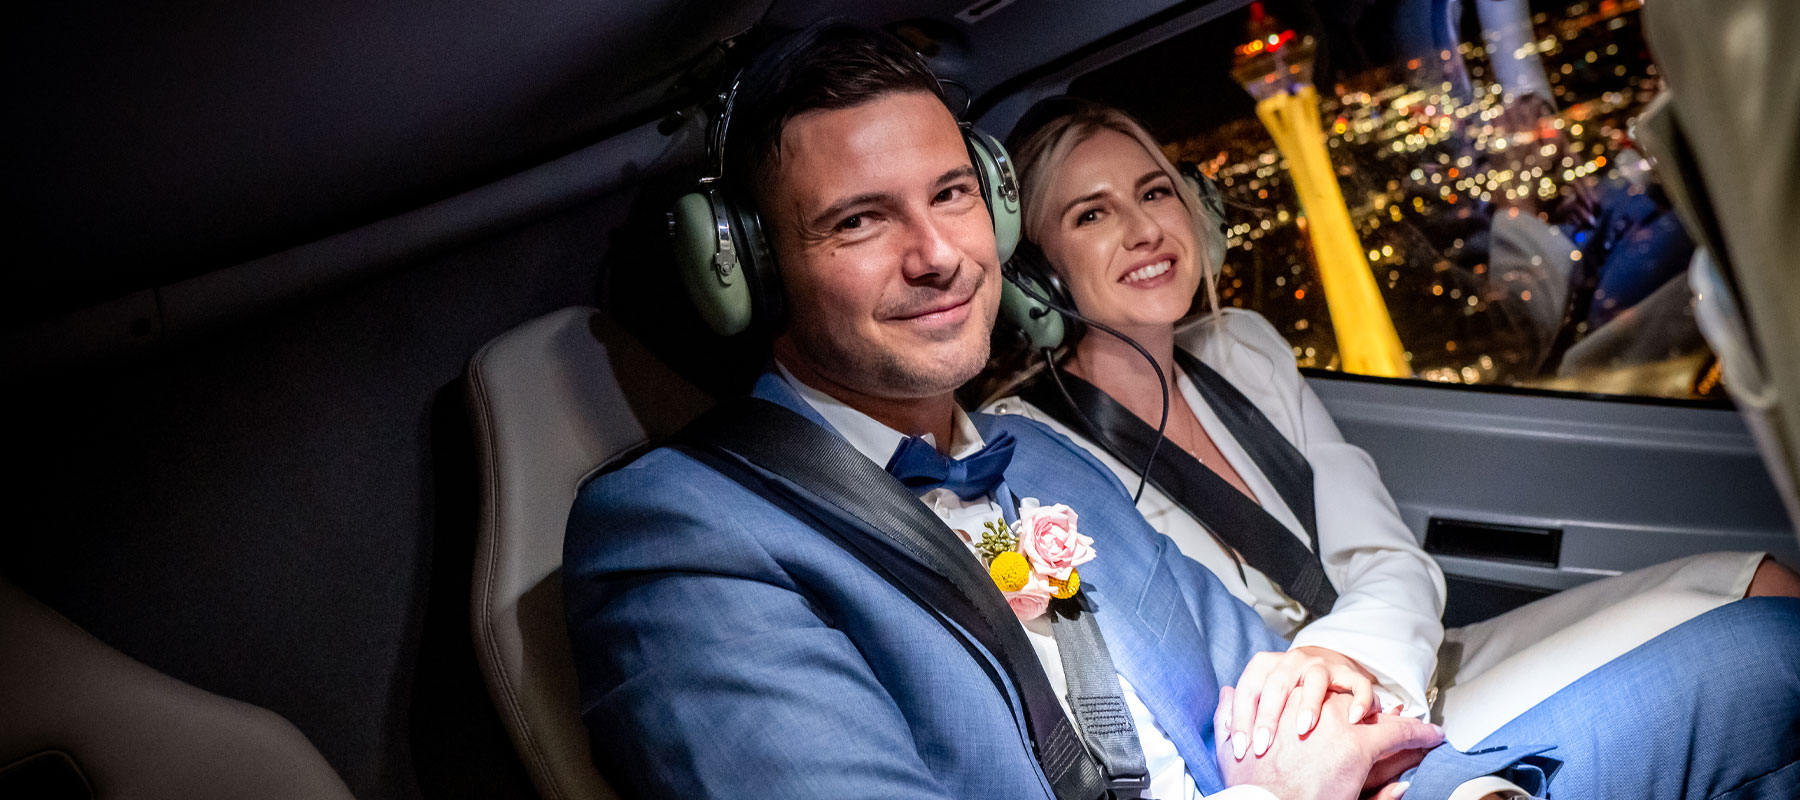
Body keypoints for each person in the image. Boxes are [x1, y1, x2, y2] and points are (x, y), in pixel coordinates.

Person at [563, 22, 1800, 800]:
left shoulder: (1042, 472)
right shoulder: (682, 535)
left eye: (950, 195)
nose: (940, 255)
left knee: (1773, 661)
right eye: (857, 220)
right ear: (755, 270)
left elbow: (1276, 689)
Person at [975, 96, 1800, 750]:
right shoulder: (1032, 454)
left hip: (1399, 657)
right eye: (1091, 215)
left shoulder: (1242, 348)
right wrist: (1329, 683)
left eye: (1154, 192)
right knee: (1769, 647)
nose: (1146, 229)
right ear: (1039, 277)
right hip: (1322, 730)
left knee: (1759, 578)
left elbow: (1385, 556)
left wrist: (1350, 654)